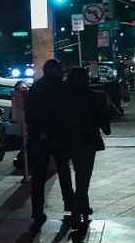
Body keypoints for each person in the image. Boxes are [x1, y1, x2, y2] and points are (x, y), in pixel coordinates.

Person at [25, 59, 73, 232]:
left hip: (41, 138)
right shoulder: (63, 87)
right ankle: (70, 206)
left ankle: (37, 212)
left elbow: (29, 112)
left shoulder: (37, 87)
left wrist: (37, 132)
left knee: (38, 177)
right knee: (64, 173)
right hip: (59, 136)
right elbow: (69, 112)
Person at [65, 67, 110, 230]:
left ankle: (82, 207)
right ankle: (77, 210)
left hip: (68, 141)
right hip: (88, 141)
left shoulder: (64, 98)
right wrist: (106, 128)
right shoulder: (96, 97)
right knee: (84, 176)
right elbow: (104, 118)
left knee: (79, 174)